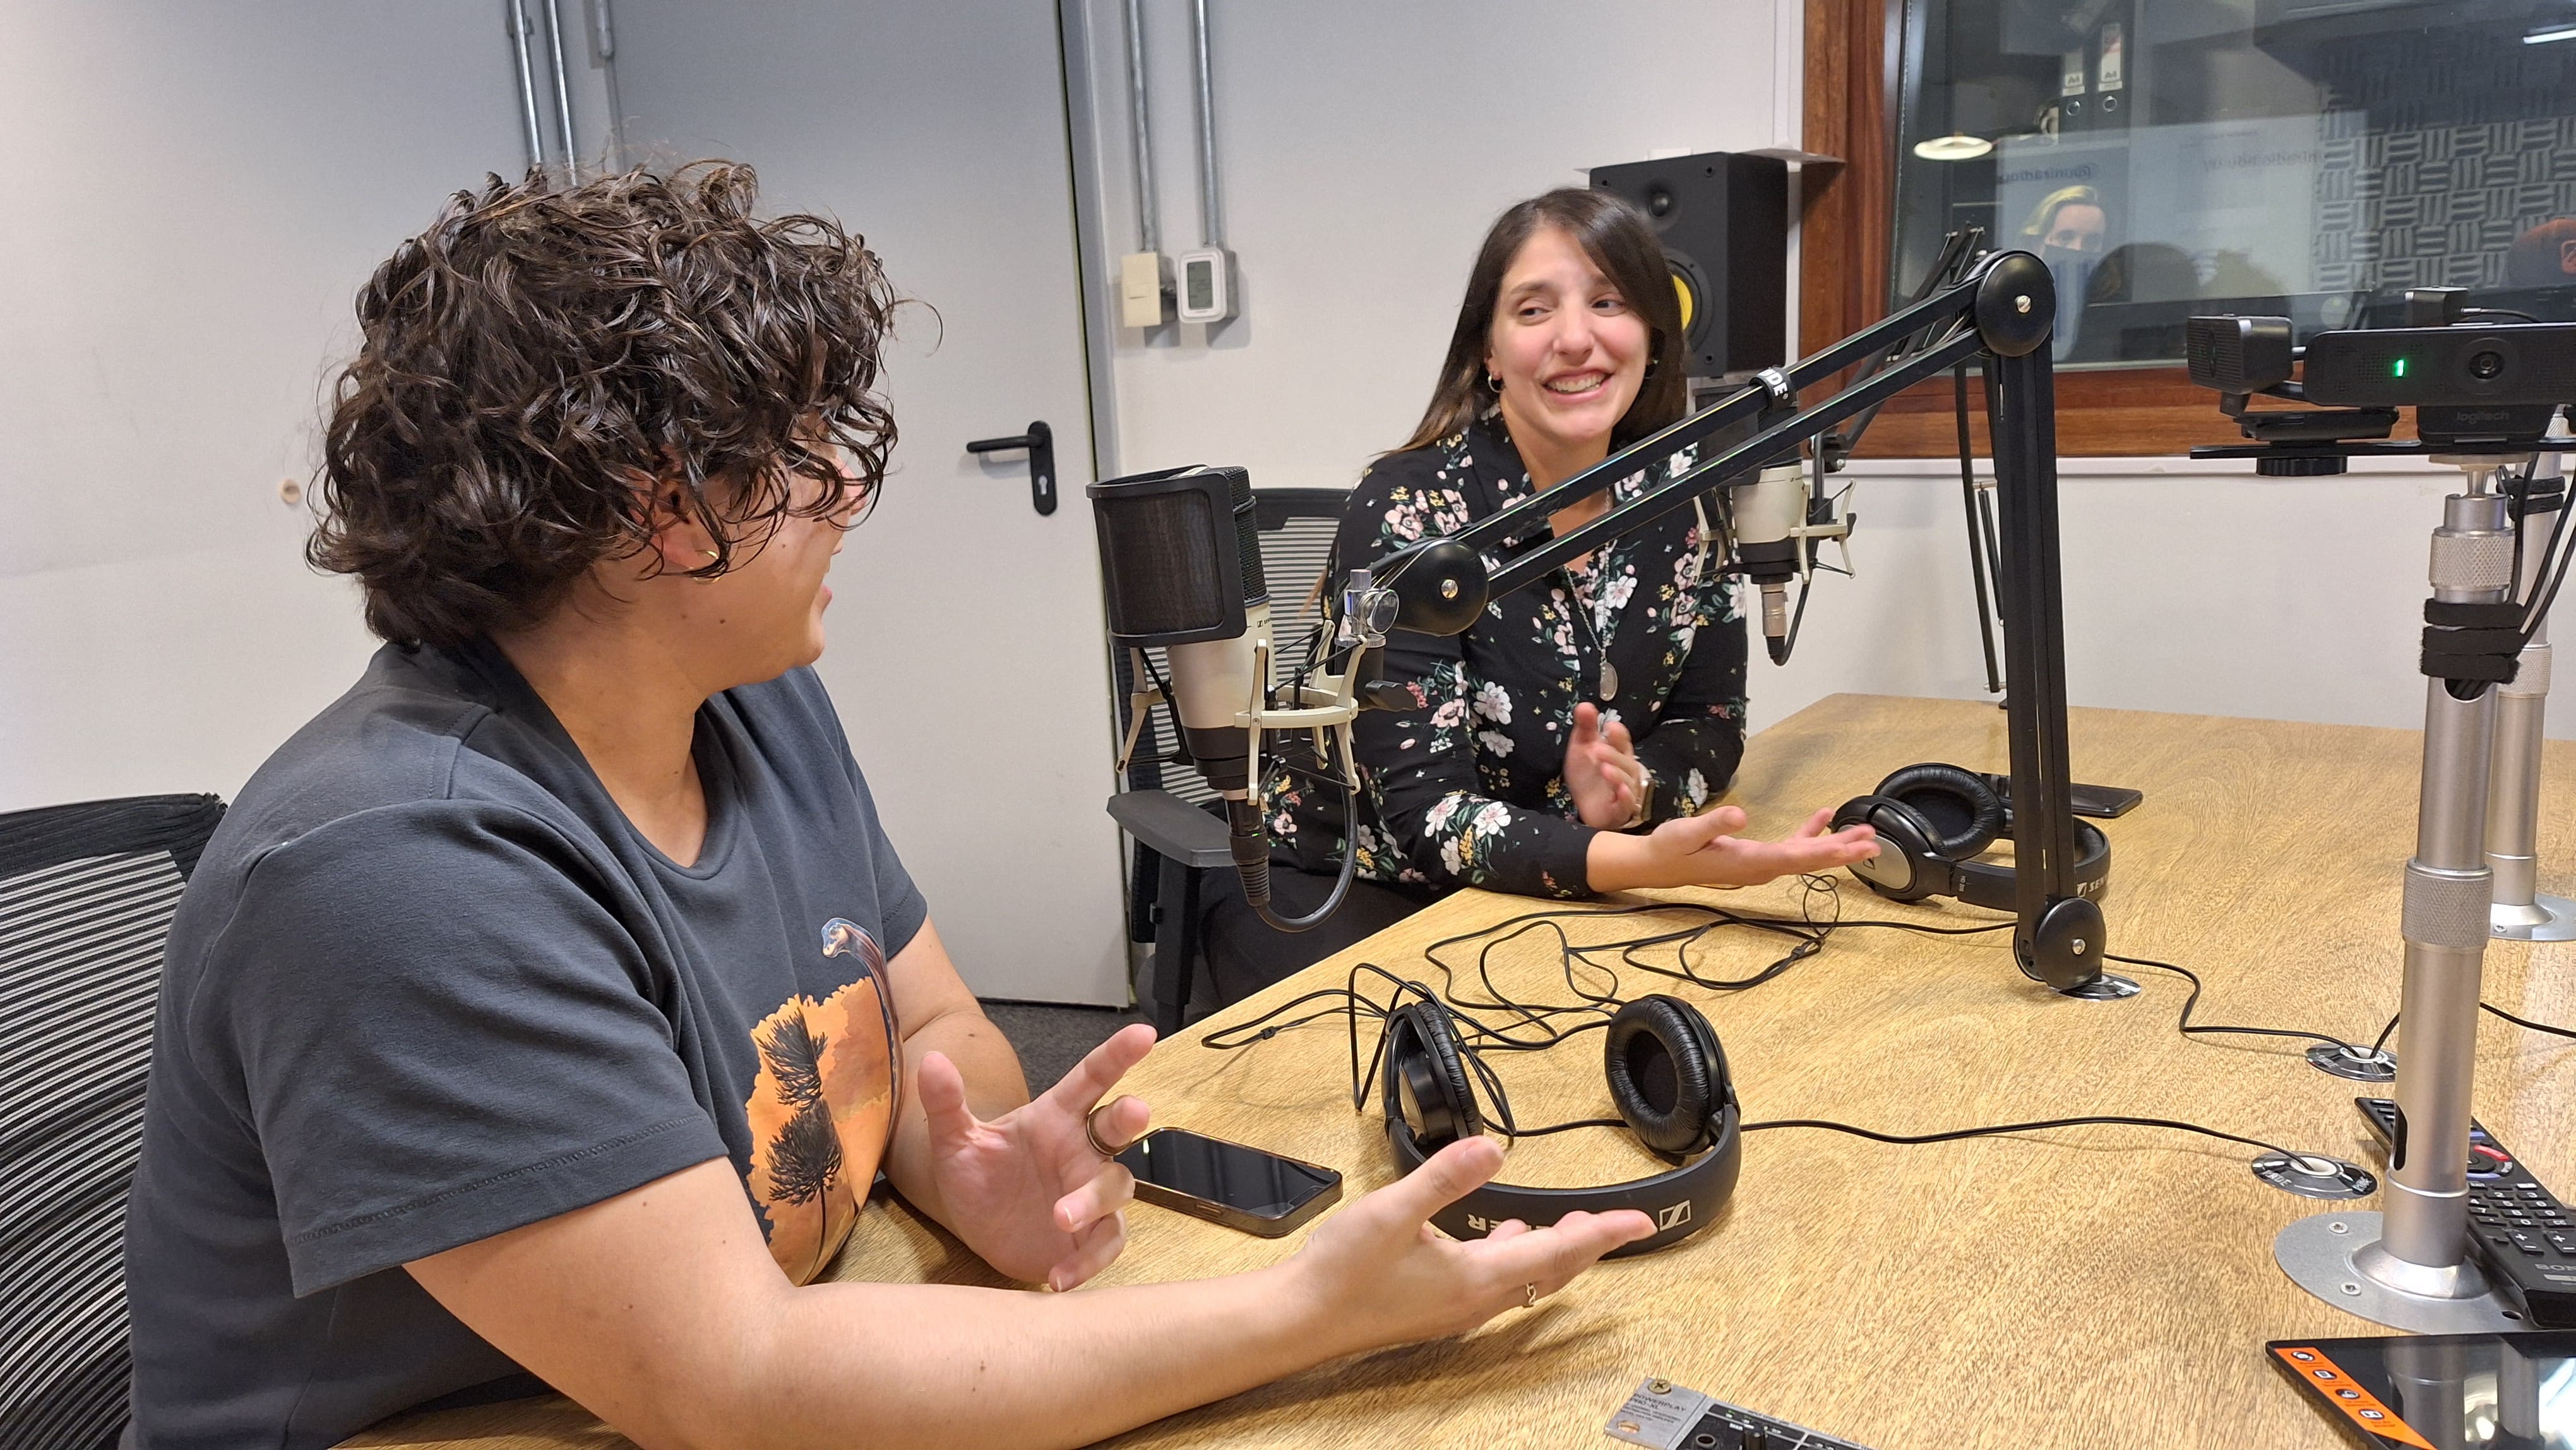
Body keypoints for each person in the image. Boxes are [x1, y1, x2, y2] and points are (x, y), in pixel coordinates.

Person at [119, 163, 1655, 1450]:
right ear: (661, 509)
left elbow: (932, 1028)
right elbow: (734, 1384)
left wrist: (949, 1158)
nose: (850, 497)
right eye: (805, 455)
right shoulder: (397, 863)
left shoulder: (750, 702)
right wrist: (1303, 1314)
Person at [1208, 189, 1877, 1000]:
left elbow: (1712, 722)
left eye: (1608, 302)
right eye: (1534, 309)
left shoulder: (1683, 496)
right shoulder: (1409, 510)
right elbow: (1424, 814)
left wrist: (1634, 793)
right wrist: (1637, 859)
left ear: (1652, 337)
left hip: (1568, 875)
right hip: (1357, 884)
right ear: (1488, 352)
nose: (1575, 338)